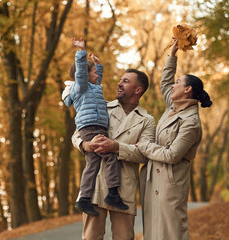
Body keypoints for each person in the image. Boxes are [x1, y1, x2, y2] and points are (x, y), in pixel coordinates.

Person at [136, 39, 212, 240]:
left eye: (178, 82)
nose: (173, 85)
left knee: (171, 232)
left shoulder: (191, 122)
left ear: (187, 90)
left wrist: (145, 146)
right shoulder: (173, 107)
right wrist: (172, 55)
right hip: (152, 179)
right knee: (152, 232)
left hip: (171, 183)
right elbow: (165, 82)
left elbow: (172, 155)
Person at [72, 67, 155, 239]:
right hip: (93, 186)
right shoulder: (101, 106)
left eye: (125, 81)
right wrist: (86, 145)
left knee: (124, 237)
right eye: (120, 80)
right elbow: (76, 135)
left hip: (124, 189)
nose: (119, 83)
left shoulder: (147, 120)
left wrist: (116, 147)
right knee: (91, 238)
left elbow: (145, 153)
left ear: (138, 90)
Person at [64, 37, 129, 216]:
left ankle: (84, 199)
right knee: (110, 157)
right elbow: (83, 75)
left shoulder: (93, 87)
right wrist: (81, 52)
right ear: (84, 75)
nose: (96, 77)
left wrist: (97, 65)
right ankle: (113, 193)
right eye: (92, 73)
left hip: (94, 127)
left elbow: (96, 76)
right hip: (91, 127)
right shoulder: (81, 87)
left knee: (92, 163)